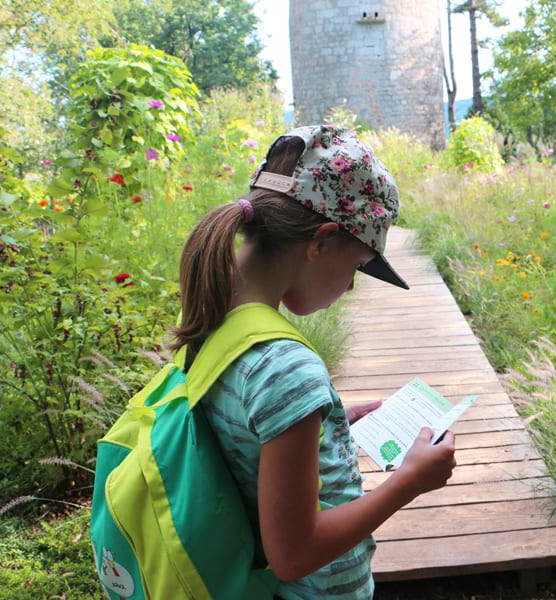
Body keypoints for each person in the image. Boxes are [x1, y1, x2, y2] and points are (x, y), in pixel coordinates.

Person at [170, 125, 457, 599]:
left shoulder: (212, 314)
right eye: (358, 266)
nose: (349, 287)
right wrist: (409, 481)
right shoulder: (286, 367)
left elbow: (242, 431)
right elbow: (295, 554)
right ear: (321, 242)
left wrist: (323, 420)